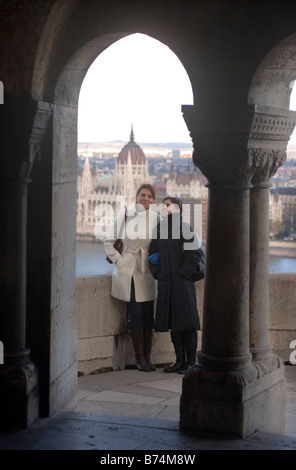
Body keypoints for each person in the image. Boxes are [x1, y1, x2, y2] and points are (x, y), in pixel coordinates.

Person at [104, 184, 160, 372]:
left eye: (149, 196)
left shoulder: (157, 219)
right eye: (142, 195)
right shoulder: (125, 214)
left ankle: (147, 356)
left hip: (147, 271)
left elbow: (163, 246)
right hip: (129, 271)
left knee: (148, 317)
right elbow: (108, 240)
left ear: (153, 200)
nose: (145, 198)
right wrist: (120, 261)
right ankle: (139, 358)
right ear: (136, 197)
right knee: (136, 315)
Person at [148, 196, 205, 374]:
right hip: (166, 282)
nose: (164, 208)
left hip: (182, 282)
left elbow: (194, 254)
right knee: (173, 321)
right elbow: (152, 254)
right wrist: (157, 273)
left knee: (187, 322)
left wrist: (183, 274)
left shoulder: (184, 227)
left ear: (178, 208)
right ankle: (179, 361)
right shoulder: (160, 229)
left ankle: (191, 361)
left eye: (168, 205)